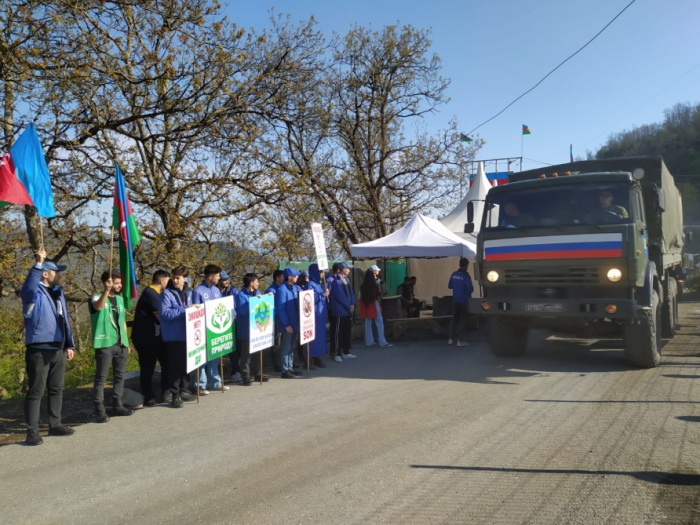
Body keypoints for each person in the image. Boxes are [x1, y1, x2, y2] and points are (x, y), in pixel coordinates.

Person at [20, 249, 76, 446]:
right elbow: (27, 287)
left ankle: (55, 423)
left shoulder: (58, 293)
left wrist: (69, 344)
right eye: (56, 271)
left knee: (56, 388)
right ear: (45, 273)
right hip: (39, 348)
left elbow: (65, 320)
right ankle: (32, 431)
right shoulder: (33, 293)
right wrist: (38, 263)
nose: (59, 275)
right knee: (36, 390)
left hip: (58, 348)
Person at [89, 270, 135, 422]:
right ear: (106, 283)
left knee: (119, 376)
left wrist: (126, 342)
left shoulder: (120, 300)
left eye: (120, 283)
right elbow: (98, 307)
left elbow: (122, 321)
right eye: (116, 283)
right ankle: (99, 408)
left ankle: (117, 404)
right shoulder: (97, 297)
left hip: (120, 343)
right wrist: (106, 292)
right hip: (105, 343)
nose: (119, 286)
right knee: (101, 377)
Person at [159, 266, 197, 408]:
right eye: (173, 277)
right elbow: (166, 314)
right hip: (174, 336)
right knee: (175, 367)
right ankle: (175, 394)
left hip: (190, 334)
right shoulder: (166, 294)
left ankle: (183, 389)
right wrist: (186, 309)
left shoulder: (190, 293)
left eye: (178, 278)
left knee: (190, 365)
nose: (175, 280)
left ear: (184, 279)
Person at [132, 269, 171, 406]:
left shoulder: (159, 293)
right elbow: (160, 316)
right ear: (162, 280)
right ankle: (148, 396)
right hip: (146, 338)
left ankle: (167, 392)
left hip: (158, 336)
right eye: (168, 280)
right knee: (148, 367)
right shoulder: (150, 293)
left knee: (166, 364)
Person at [191, 264, 228, 394]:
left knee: (215, 356)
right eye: (217, 276)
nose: (219, 278)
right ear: (210, 276)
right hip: (203, 329)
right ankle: (200, 385)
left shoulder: (217, 290)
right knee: (202, 359)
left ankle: (215, 381)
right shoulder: (198, 291)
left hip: (216, 329)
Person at [235, 273, 270, 385]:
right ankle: (245, 376)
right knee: (246, 355)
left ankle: (258, 373)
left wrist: (267, 297)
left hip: (257, 328)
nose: (258, 284)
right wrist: (253, 301)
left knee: (258, 353)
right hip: (246, 329)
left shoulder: (257, 293)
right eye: (257, 282)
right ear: (251, 283)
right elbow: (242, 311)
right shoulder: (241, 295)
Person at [275, 268, 303, 378]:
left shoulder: (294, 288)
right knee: (286, 346)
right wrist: (286, 324)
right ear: (289, 276)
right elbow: (280, 309)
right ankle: (284, 369)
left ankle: (290, 367)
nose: (297, 277)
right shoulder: (282, 289)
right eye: (295, 275)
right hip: (288, 324)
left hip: (295, 322)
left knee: (292, 346)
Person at [359, 266, 393, 348]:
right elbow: (381, 293)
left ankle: (369, 342)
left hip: (366, 304)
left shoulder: (364, 283)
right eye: (377, 271)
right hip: (374, 303)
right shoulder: (377, 282)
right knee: (379, 322)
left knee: (368, 323)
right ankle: (382, 342)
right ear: (374, 271)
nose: (378, 272)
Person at [329, 262, 357, 362]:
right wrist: (348, 306)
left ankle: (346, 352)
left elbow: (351, 293)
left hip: (347, 311)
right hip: (340, 311)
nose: (349, 270)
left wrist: (352, 303)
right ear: (342, 269)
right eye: (347, 268)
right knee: (338, 333)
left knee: (346, 332)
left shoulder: (347, 280)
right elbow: (340, 296)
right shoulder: (336, 282)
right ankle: (337, 353)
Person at [305, 263, 329, 368]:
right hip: (313, 315)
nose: (323, 274)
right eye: (321, 271)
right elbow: (310, 300)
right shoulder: (310, 284)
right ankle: (308, 360)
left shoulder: (317, 284)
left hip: (319, 314)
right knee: (312, 338)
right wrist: (323, 295)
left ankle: (317, 358)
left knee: (318, 338)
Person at [448, 258, 474, 347]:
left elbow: (449, 286)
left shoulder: (453, 274)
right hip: (464, 300)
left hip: (455, 300)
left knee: (454, 319)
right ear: (466, 265)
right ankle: (460, 340)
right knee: (463, 320)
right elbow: (470, 289)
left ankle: (450, 339)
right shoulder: (466, 276)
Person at [264, 269, 285, 373]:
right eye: (282, 277)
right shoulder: (271, 290)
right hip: (275, 319)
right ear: (277, 278)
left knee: (283, 341)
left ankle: (284, 363)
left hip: (284, 318)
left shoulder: (283, 288)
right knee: (276, 342)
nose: (284, 278)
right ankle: (276, 364)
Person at [326, 263, 341, 359]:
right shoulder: (329, 279)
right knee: (334, 329)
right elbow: (328, 293)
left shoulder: (340, 279)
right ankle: (333, 351)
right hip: (332, 308)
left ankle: (340, 348)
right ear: (338, 270)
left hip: (339, 308)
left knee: (339, 329)